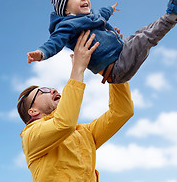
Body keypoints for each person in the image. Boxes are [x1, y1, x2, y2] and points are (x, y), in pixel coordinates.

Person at [17, 30, 134, 181]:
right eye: (42, 91)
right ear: (32, 111)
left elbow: (122, 111)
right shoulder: (31, 136)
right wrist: (78, 67)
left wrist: (111, 68)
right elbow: (65, 123)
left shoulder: (84, 133)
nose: (52, 89)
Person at [27, 0, 177, 83]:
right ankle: (174, 14)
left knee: (141, 32)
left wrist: (111, 9)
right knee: (145, 38)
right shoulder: (67, 25)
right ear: (65, 9)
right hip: (116, 68)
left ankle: (173, 13)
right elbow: (54, 42)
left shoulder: (91, 16)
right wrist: (41, 53)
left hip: (121, 51)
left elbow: (102, 12)